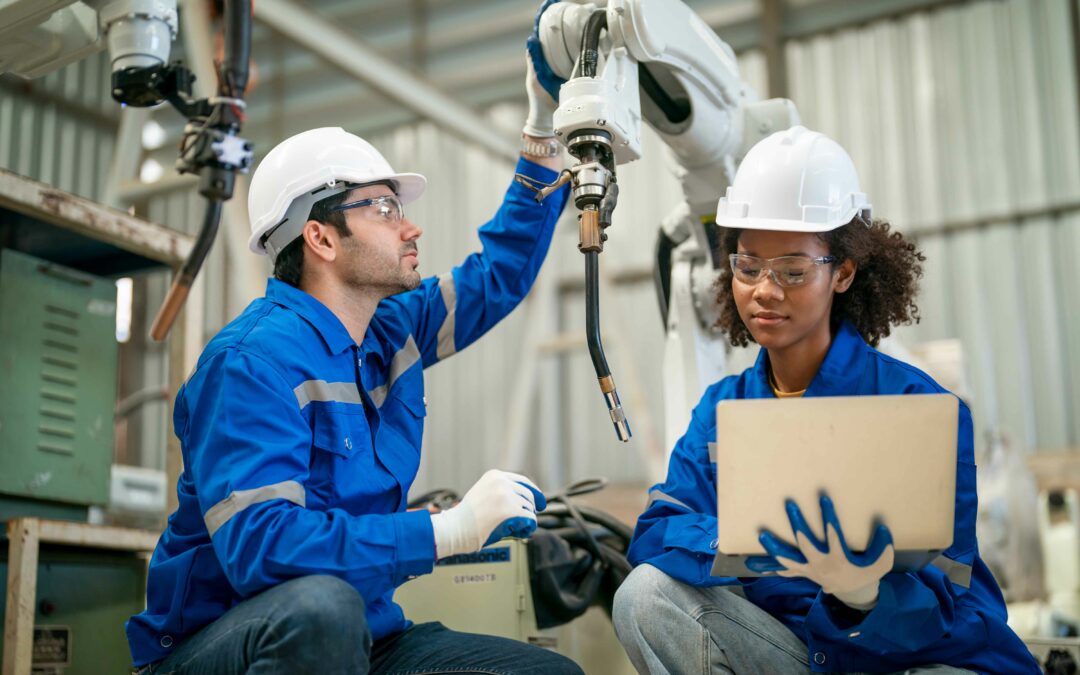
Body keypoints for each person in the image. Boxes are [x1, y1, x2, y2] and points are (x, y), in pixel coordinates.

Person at [125, 57, 585, 674]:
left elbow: (496, 276)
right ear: (321, 238)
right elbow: (261, 546)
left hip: (362, 638)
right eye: (386, 209)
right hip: (224, 647)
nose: (410, 226)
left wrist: (542, 138)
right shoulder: (248, 364)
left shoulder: (392, 330)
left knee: (549, 674)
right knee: (321, 609)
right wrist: (447, 532)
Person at [611, 126, 1039, 674]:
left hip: (915, 660)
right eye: (747, 267)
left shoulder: (916, 406)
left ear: (843, 272)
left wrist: (864, 594)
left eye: (792, 271)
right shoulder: (722, 411)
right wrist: (750, 538)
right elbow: (657, 530)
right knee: (645, 597)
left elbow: (956, 595)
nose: (765, 290)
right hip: (798, 656)